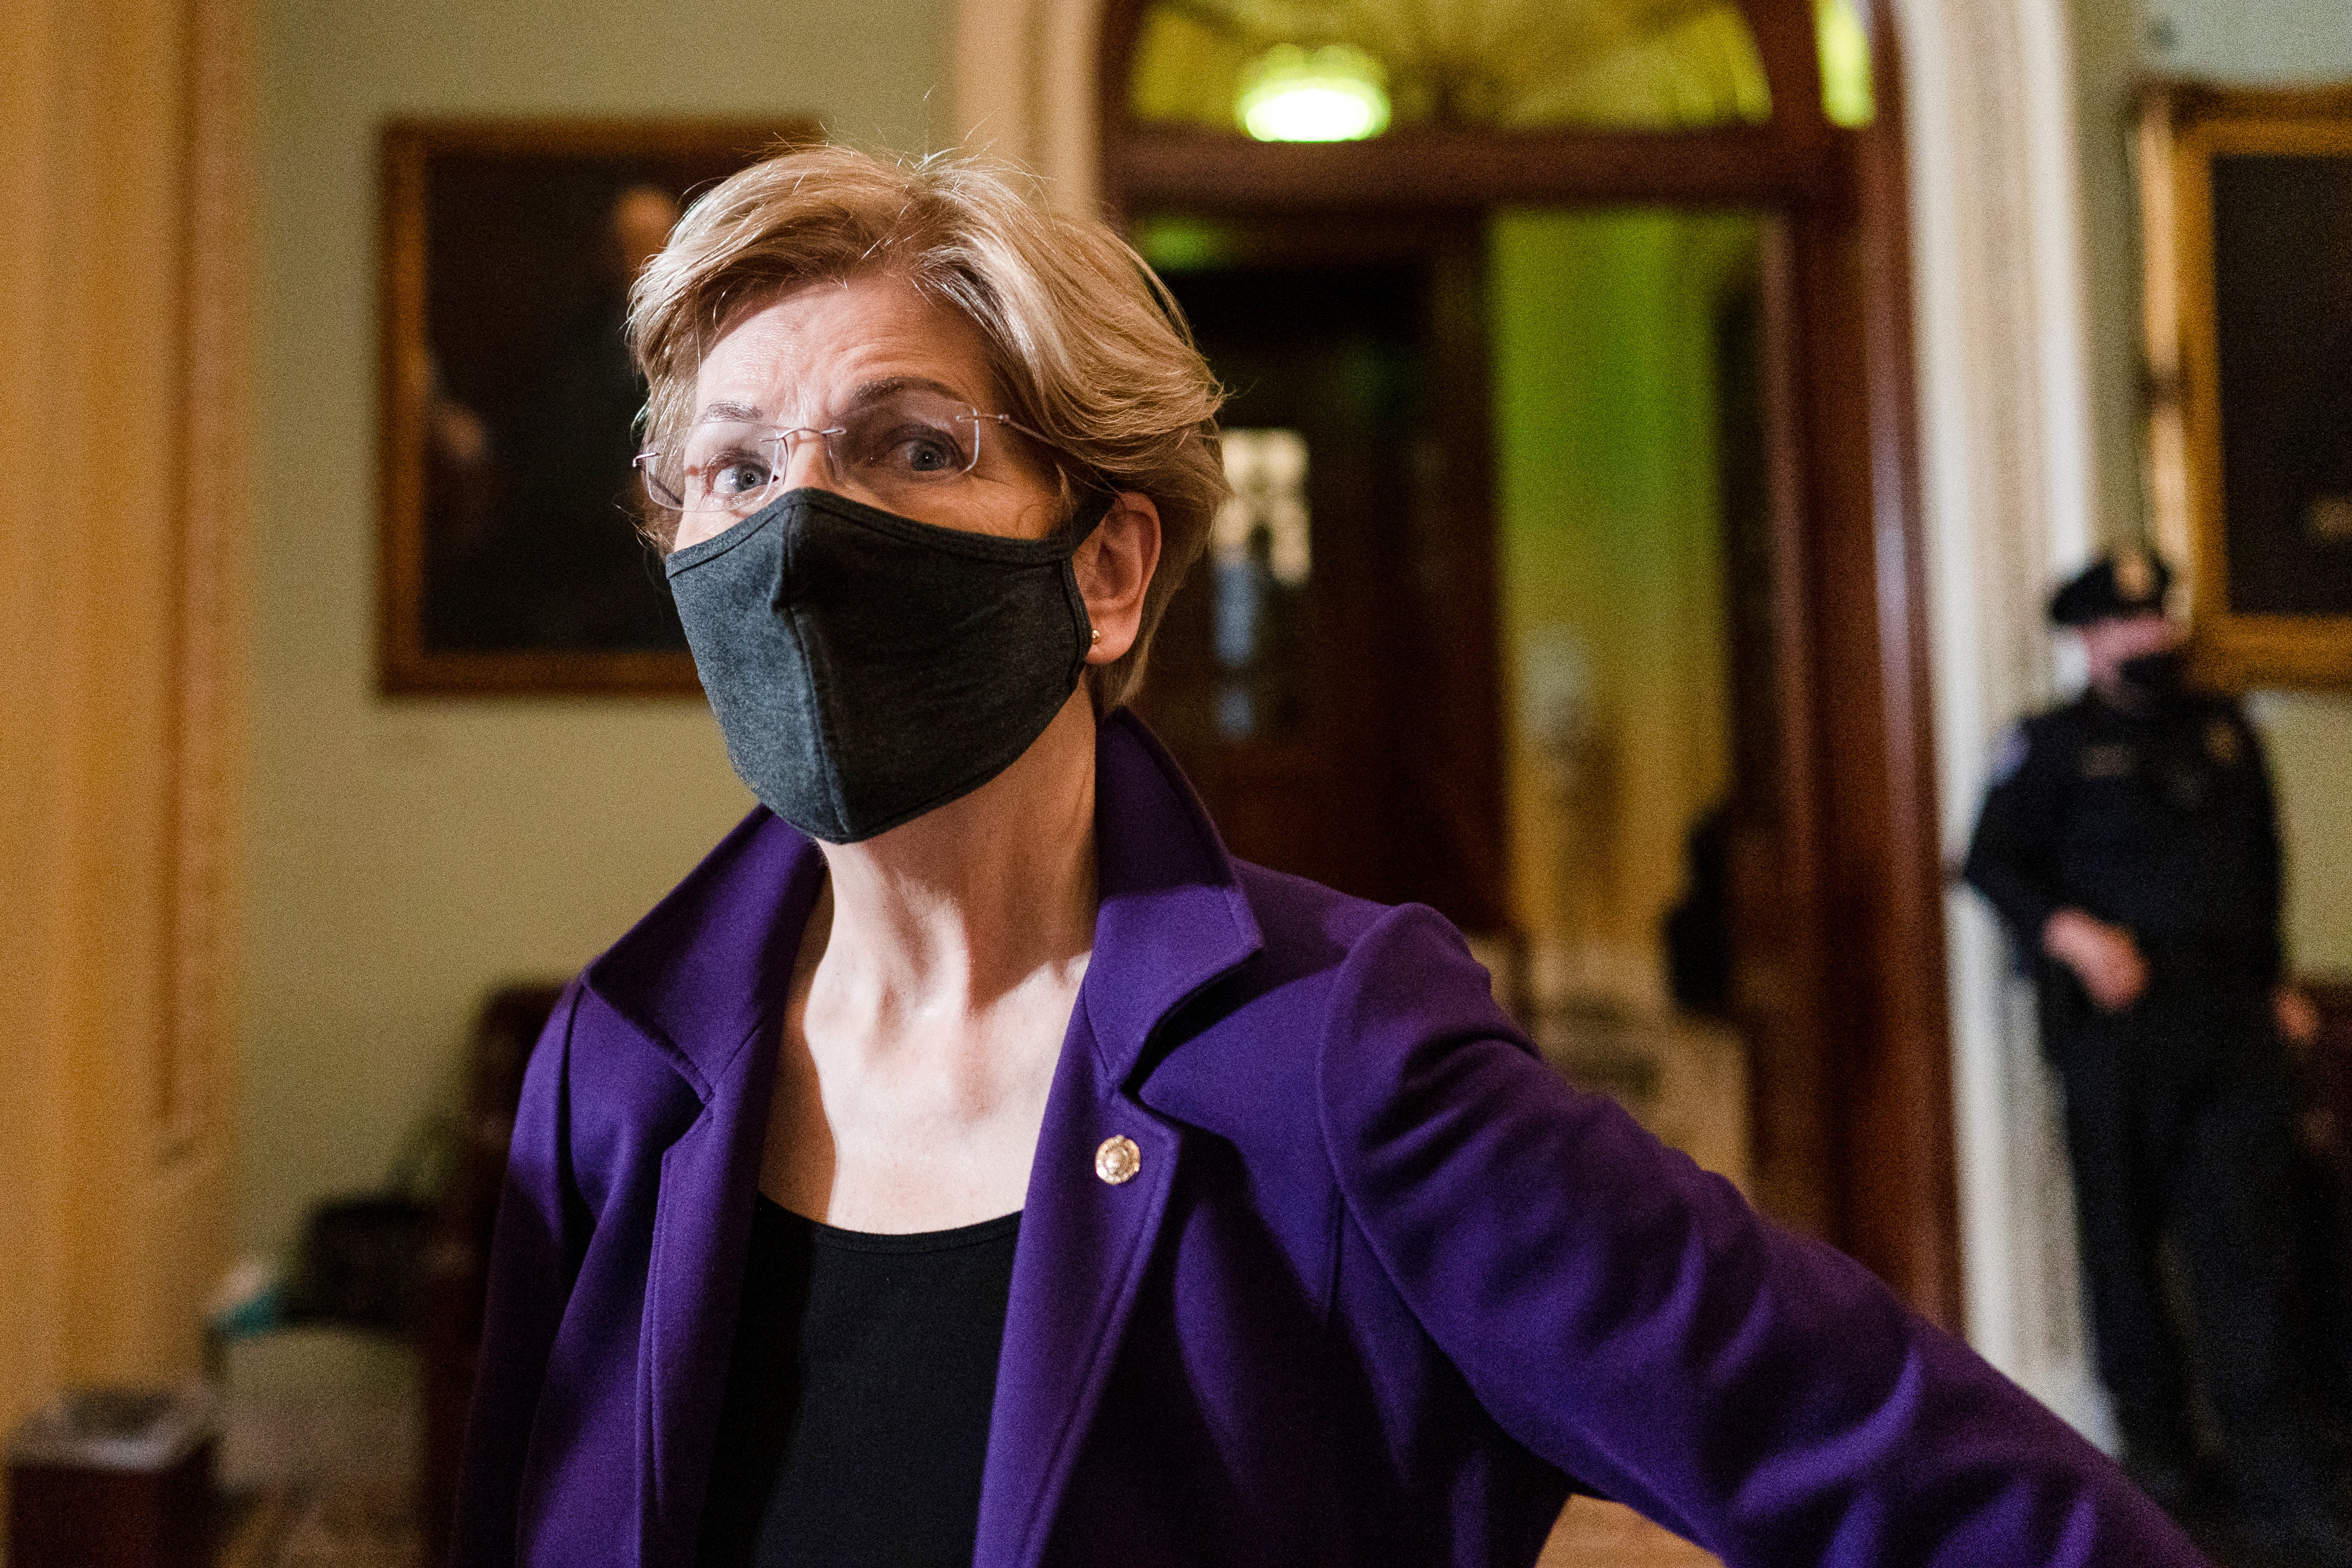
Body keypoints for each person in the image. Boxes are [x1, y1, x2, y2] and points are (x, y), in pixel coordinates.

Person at [452, 145, 2204, 1567]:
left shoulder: (1332, 1059)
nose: (797, 529)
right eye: (733, 469)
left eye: (912, 444)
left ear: (1105, 569)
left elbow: (1955, 1495)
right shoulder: (619, 1070)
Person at [1964, 548, 2341, 1563]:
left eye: (2155, 618)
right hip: (2117, 1043)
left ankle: (2282, 1488)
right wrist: (2074, 936)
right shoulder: (2047, 749)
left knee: (2248, 1253)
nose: (2150, 637)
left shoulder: (2221, 735)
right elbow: (1989, 862)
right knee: (2125, 1260)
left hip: (2226, 1025)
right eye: (2126, 624)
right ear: (2088, 640)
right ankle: (2162, 1484)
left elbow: (2260, 868)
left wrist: (2274, 982)